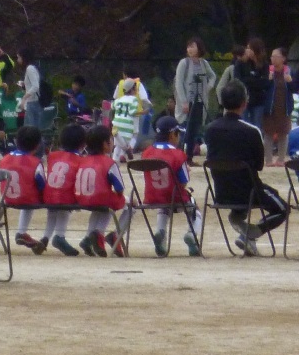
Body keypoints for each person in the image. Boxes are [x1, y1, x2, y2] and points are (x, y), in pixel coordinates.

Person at [204, 79, 289, 255]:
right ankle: (251, 234)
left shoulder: (210, 129)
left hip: (221, 192)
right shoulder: (251, 130)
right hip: (249, 192)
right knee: (282, 209)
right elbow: (259, 165)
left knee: (252, 189)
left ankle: (240, 222)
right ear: (244, 103)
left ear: (222, 102)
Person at [140, 115, 203, 257]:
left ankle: (161, 231)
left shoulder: (147, 152)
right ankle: (191, 235)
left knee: (164, 205)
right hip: (175, 196)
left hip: (151, 196)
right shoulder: (178, 154)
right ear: (172, 135)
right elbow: (184, 181)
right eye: (178, 134)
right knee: (194, 208)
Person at [75, 125, 131, 258]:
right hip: (101, 199)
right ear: (106, 144)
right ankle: (112, 235)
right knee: (131, 204)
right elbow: (119, 188)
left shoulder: (83, 160)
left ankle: (88, 237)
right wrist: (119, 197)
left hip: (81, 198)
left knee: (100, 206)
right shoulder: (109, 162)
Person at [40, 123, 86, 255]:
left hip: (48, 195)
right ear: (82, 144)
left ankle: (45, 237)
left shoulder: (52, 155)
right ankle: (59, 236)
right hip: (66, 197)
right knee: (64, 206)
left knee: (53, 208)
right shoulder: (80, 160)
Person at [0, 126, 47, 253]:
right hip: (28, 199)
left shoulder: (4, 159)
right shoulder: (35, 162)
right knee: (29, 198)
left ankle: (19, 232)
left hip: (7, 198)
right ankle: (23, 232)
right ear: (37, 145)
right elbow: (42, 184)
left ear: (17, 141)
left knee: (21, 197)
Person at [174, 37, 217, 161]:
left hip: (199, 101)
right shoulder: (184, 63)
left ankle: (189, 157)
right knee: (184, 129)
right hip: (187, 102)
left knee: (194, 129)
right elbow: (179, 83)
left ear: (199, 48)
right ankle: (179, 157)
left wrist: (207, 88)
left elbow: (212, 76)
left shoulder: (204, 63)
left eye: (192, 46)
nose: (190, 49)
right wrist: (183, 102)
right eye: (188, 47)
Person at [261, 48, 294, 165]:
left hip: (284, 108)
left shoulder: (289, 71)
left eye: (276, 56)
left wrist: (290, 82)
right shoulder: (267, 71)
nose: (273, 59)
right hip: (270, 107)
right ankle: (268, 160)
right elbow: (262, 87)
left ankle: (281, 159)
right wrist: (268, 80)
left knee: (283, 133)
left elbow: (294, 89)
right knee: (268, 133)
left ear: (283, 58)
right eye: (272, 56)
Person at [234, 38, 271, 130]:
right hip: (244, 99)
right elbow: (238, 80)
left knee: (257, 126)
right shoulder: (241, 63)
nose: (247, 50)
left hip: (258, 100)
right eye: (247, 48)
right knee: (243, 125)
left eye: (250, 48)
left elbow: (265, 83)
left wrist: (249, 80)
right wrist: (255, 79)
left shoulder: (264, 64)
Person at [111, 79, 141, 162]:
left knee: (118, 145)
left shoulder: (119, 99)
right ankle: (127, 149)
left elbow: (112, 106)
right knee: (131, 138)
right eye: (135, 88)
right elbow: (132, 112)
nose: (136, 89)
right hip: (127, 124)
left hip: (116, 124)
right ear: (132, 89)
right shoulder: (134, 99)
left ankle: (115, 161)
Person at [16, 49, 42, 130]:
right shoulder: (34, 68)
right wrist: (24, 84)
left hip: (32, 102)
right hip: (34, 102)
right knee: (33, 128)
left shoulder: (30, 68)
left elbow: (35, 86)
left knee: (30, 129)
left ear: (23, 58)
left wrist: (24, 98)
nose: (17, 60)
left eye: (19, 57)